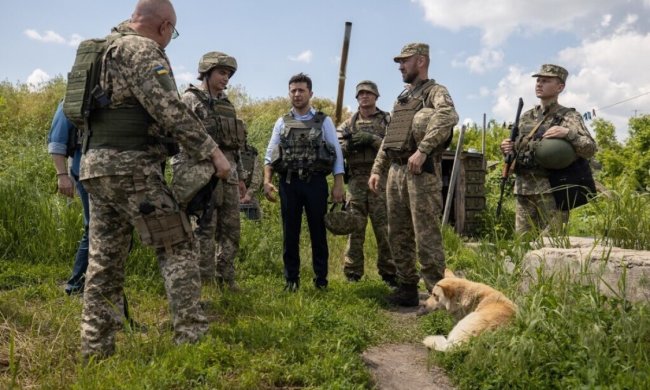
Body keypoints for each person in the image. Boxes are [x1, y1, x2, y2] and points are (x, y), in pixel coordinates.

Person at [77, 0, 230, 359]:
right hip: (133, 168)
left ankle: (96, 350)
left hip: (96, 166)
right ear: (163, 26)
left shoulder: (102, 50)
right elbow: (169, 108)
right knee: (177, 245)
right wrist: (213, 152)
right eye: (171, 33)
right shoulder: (142, 50)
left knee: (105, 261)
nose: (169, 40)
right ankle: (190, 339)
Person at [369, 43, 459, 306]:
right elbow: (390, 136)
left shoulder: (435, 92)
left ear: (421, 61)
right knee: (398, 232)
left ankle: (437, 295)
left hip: (421, 172)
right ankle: (407, 286)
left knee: (426, 233)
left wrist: (423, 150)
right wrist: (377, 169)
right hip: (396, 172)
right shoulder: (403, 97)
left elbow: (448, 117)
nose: (400, 66)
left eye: (405, 61)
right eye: (399, 62)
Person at [263, 73, 345, 291]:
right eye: (293, 90)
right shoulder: (282, 122)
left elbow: (336, 153)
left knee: (318, 232)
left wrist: (338, 184)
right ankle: (291, 280)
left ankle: (321, 280)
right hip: (289, 184)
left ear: (310, 93)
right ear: (289, 93)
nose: (297, 94)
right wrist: (267, 181)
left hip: (316, 183)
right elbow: (270, 155)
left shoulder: (323, 120)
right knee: (290, 233)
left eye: (301, 90)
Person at [173, 51, 247, 291]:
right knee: (205, 229)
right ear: (207, 72)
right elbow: (183, 138)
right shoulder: (190, 100)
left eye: (229, 74)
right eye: (221, 73)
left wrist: (241, 177)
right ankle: (204, 284)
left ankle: (226, 277)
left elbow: (237, 145)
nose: (226, 79)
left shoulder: (227, 105)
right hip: (201, 175)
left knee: (231, 229)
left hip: (230, 175)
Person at [500, 64, 597, 234]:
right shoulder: (526, 116)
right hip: (524, 190)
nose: (539, 84)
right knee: (522, 243)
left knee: (551, 244)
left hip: (552, 191)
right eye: (538, 80)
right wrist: (508, 148)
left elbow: (590, 148)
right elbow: (520, 150)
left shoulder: (569, 116)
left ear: (560, 87)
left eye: (545, 80)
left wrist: (568, 133)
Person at [337, 80, 397, 287]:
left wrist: (372, 139)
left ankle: (390, 273)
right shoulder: (347, 124)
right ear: (356, 98)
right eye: (361, 93)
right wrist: (349, 145)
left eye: (368, 93)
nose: (364, 96)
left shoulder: (387, 120)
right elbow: (336, 150)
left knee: (385, 229)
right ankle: (352, 272)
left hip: (380, 178)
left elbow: (394, 146)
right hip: (356, 180)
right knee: (355, 228)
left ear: (376, 96)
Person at [47, 101, 88, 296]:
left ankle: (95, 282)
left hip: (118, 176)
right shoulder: (73, 98)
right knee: (94, 228)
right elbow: (57, 140)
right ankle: (76, 285)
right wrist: (62, 176)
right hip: (86, 173)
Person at [239, 141, 264, 221]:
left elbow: (257, 175)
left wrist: (249, 194)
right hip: (226, 192)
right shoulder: (220, 150)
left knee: (256, 220)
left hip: (247, 191)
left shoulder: (251, 152)